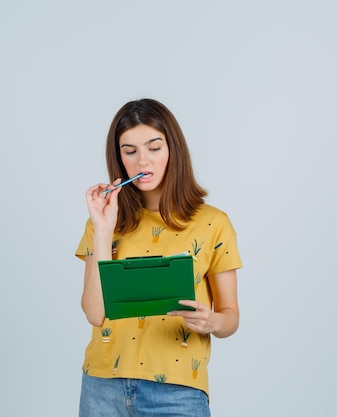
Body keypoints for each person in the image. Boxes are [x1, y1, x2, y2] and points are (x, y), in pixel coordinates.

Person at [75, 98, 242, 417]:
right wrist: (103, 230)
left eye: (154, 147)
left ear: (173, 150)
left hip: (177, 393)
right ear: (119, 157)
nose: (142, 162)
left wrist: (212, 321)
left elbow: (230, 316)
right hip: (102, 387)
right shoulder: (104, 221)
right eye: (130, 151)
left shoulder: (213, 223)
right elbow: (95, 313)